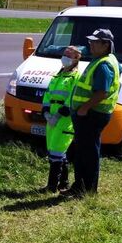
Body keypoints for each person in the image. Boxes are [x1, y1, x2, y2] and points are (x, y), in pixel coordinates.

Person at [61, 29, 122, 197]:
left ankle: (87, 189)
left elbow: (101, 92)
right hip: (90, 114)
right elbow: (119, 73)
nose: (91, 44)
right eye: (91, 41)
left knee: (88, 152)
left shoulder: (103, 64)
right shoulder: (107, 60)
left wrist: (84, 108)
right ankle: (80, 186)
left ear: (106, 45)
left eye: (95, 42)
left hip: (92, 115)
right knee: (82, 151)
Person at [41, 46, 81, 192]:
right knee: (55, 151)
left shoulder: (76, 77)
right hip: (51, 118)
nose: (65, 57)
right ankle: (63, 183)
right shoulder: (57, 76)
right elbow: (47, 95)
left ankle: (51, 186)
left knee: (57, 152)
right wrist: (46, 112)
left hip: (64, 120)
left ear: (77, 58)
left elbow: (72, 99)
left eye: (69, 55)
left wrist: (58, 115)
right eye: (64, 54)